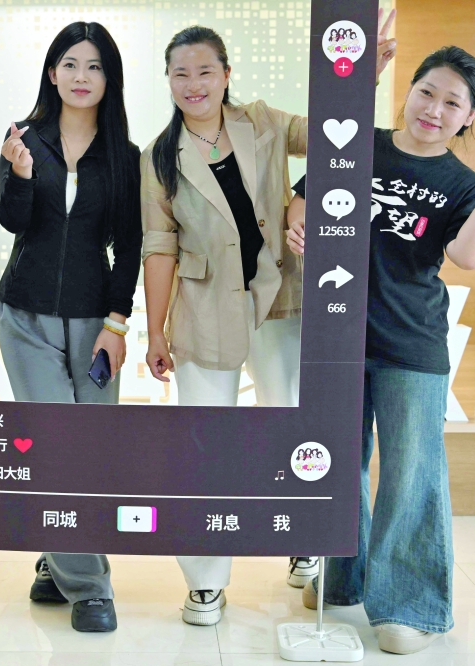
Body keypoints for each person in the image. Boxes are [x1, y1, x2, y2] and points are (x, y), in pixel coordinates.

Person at [287, 39, 475, 654]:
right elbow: (305, 191)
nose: (434, 108)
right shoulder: (357, 143)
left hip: (409, 343)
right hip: (334, 335)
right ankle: (345, 581)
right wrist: (296, 221)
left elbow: (467, 256)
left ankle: (411, 606)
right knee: (336, 466)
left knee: (410, 476)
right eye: (427, 91)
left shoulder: (463, 183)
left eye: (453, 102)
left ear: (469, 116)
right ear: (409, 89)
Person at [140, 24, 309, 627]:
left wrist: (358, 73)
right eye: (180, 73)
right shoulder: (160, 155)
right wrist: (155, 330)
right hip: (205, 306)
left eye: (205, 71)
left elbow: (329, 142)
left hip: (278, 293)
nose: (193, 84)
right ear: (168, 80)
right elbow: (158, 246)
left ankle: (304, 541)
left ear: (227, 74)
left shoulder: (262, 121)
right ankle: (206, 581)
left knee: (285, 417)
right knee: (204, 442)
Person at [0, 21, 142, 633]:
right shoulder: (22, 137)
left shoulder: (126, 156)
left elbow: (130, 244)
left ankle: (58, 560)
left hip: (95, 318)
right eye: (71, 64)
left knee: (93, 451)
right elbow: (13, 221)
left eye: (95, 66)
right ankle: (89, 587)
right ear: (52, 72)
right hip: (25, 314)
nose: (82, 77)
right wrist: (21, 173)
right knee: (56, 445)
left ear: (110, 79)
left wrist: (117, 322)